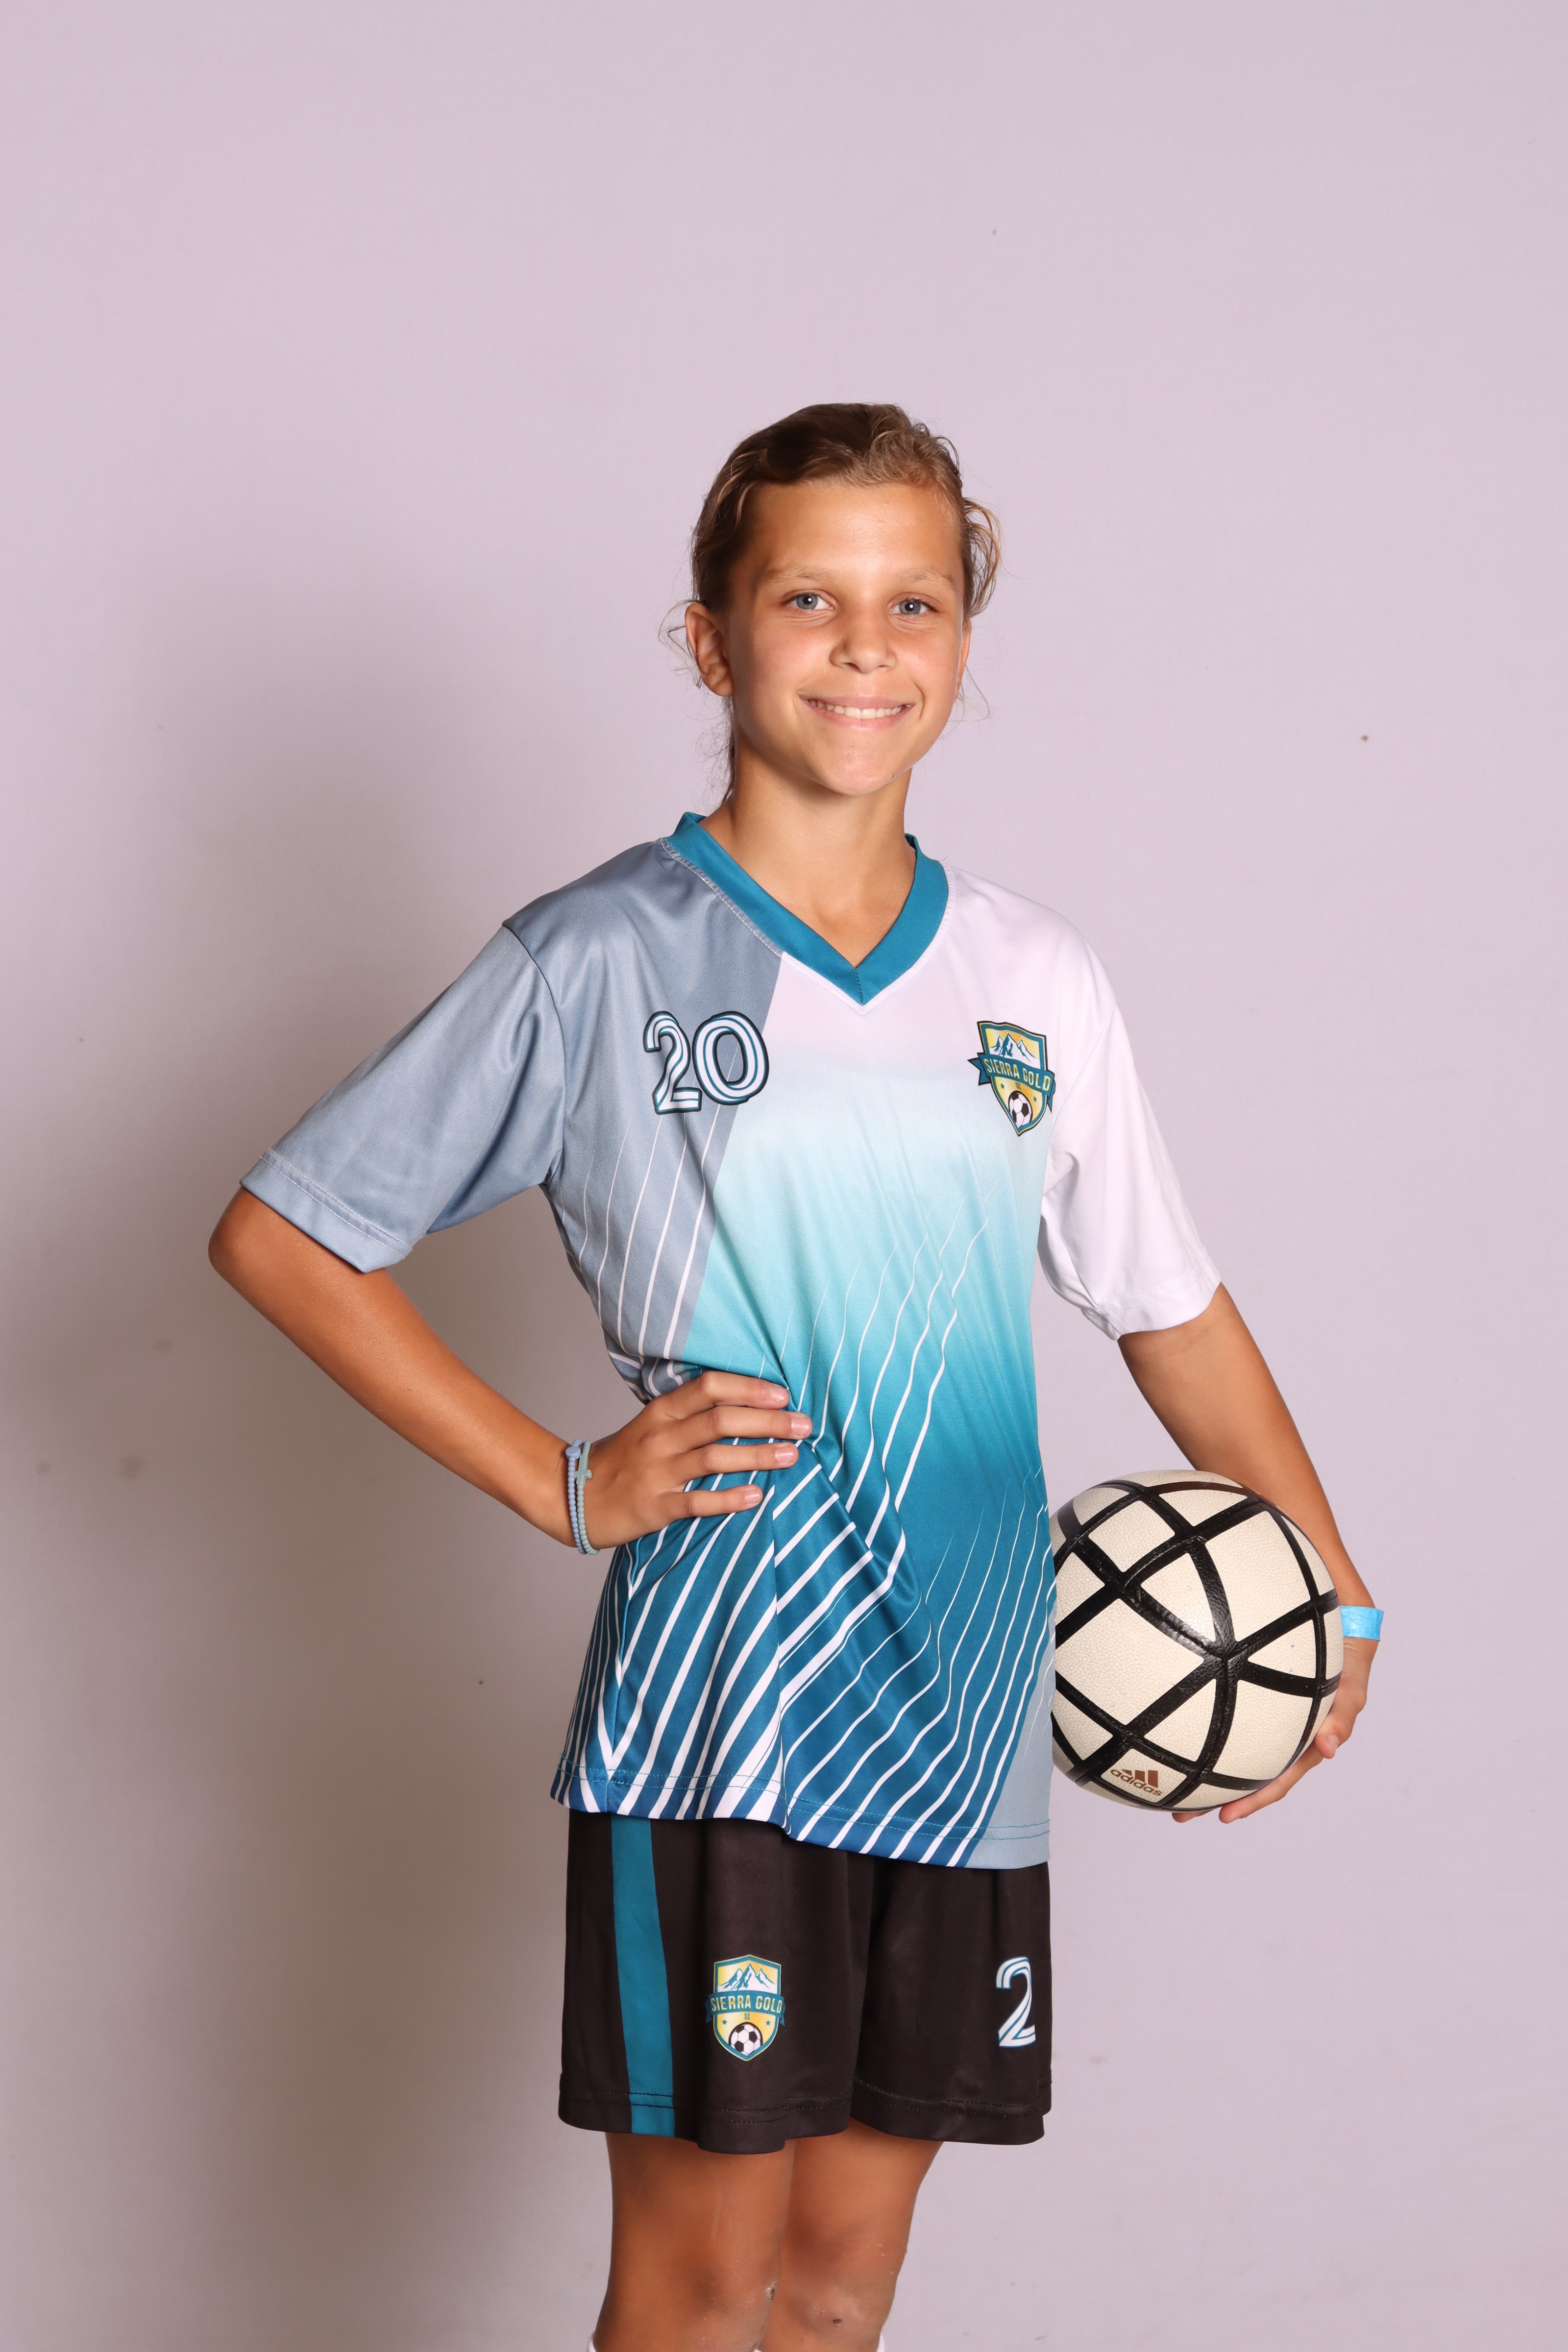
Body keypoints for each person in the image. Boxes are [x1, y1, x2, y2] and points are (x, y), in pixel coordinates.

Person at [209, 404, 1380, 2352]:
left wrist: (1329, 1592)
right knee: (695, 2293)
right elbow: (287, 1234)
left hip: (968, 1722)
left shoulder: (1033, 976)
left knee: (839, 2288)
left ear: (963, 640)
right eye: (806, 599)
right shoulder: (601, 955)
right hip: (723, 1726)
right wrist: (560, 1479)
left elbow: (1165, 1305)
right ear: (711, 639)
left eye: (913, 601)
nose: (864, 646)